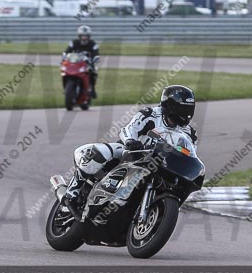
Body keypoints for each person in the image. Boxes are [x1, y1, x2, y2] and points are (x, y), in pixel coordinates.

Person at [64, 85, 197, 212]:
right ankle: (73, 191)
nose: (186, 114)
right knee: (102, 152)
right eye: (183, 110)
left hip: (162, 166)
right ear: (170, 106)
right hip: (133, 154)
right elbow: (129, 129)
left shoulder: (190, 133)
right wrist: (131, 141)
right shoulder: (149, 114)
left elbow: (191, 154)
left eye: (189, 110)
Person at [63, 25, 100, 99]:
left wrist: (94, 60)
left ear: (89, 36)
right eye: (83, 36)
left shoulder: (93, 44)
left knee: (94, 71)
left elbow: (96, 54)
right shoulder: (74, 43)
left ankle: (92, 89)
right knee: (64, 70)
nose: (84, 37)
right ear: (79, 36)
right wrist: (64, 57)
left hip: (88, 63)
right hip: (75, 63)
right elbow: (67, 51)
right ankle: (66, 88)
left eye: (86, 36)